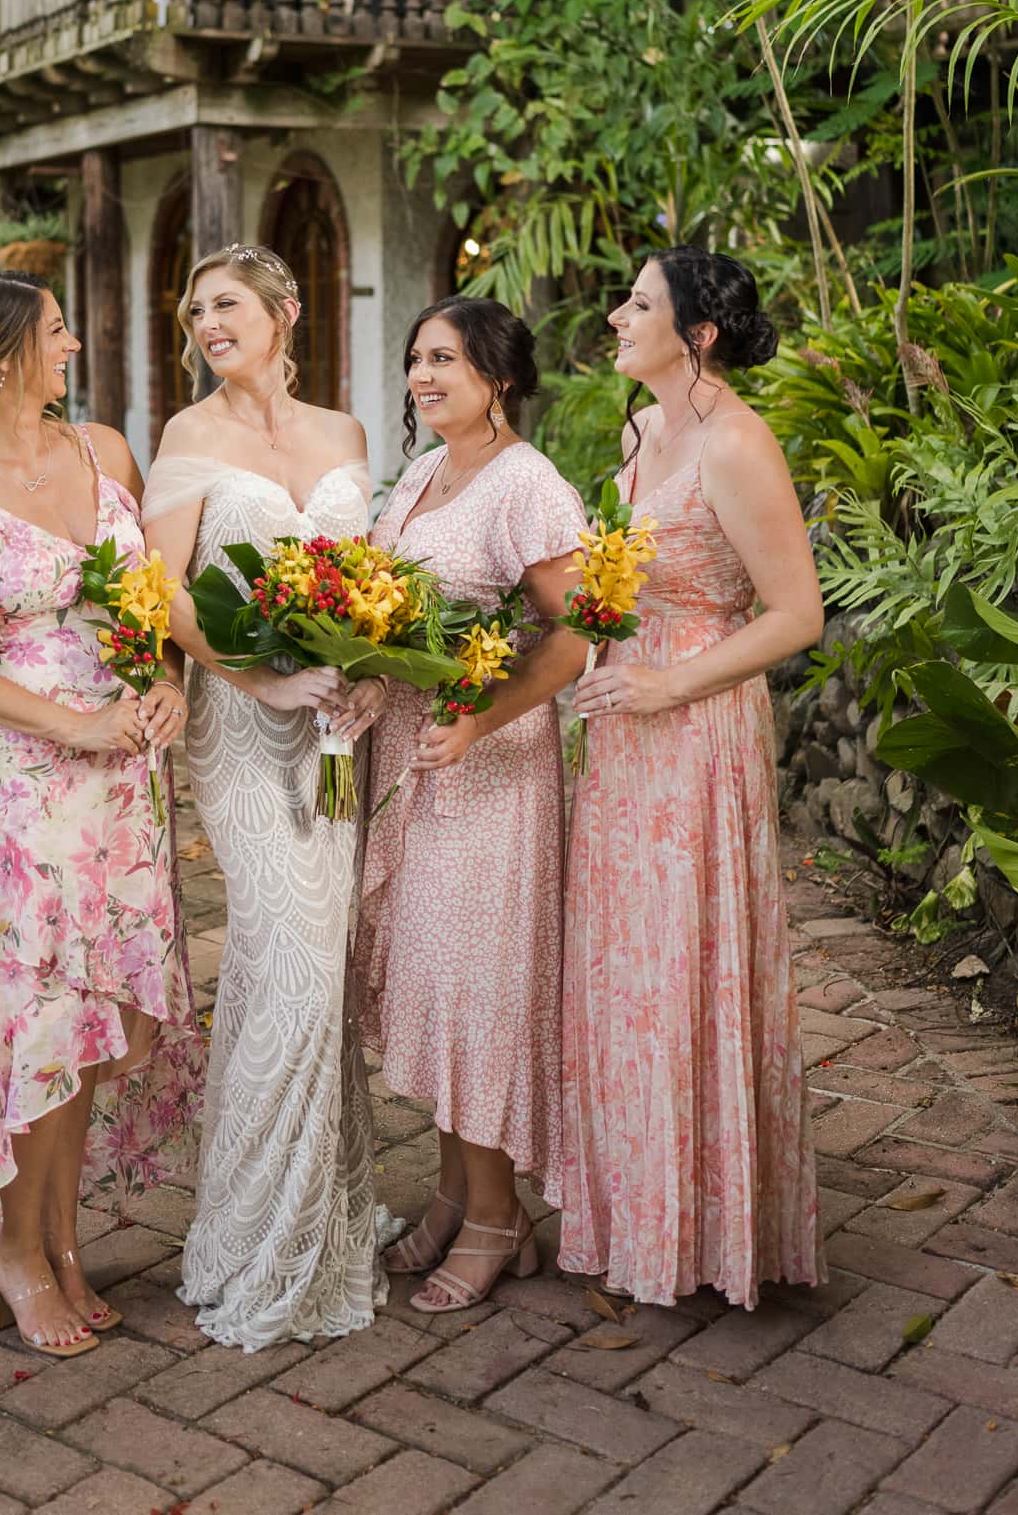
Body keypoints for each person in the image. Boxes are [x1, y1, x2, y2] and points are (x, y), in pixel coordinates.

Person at [0, 268, 202, 1357]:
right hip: (34, 795)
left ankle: (64, 1242)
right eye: (58, 332)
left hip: (128, 781)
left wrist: (170, 678)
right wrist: (69, 725)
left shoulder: (105, 451)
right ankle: (12, 1253)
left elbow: (149, 600)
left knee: (94, 1024)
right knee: (35, 1020)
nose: (73, 347)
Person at [559, 246, 825, 1310]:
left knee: (687, 962)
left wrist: (671, 689)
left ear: (698, 333)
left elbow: (797, 615)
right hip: (624, 729)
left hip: (697, 730)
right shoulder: (642, 429)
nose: (618, 314)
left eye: (640, 302)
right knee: (627, 969)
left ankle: (712, 1228)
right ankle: (638, 1216)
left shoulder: (737, 444)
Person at [141, 242, 388, 1352]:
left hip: (337, 726)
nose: (208, 324)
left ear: (285, 312)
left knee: (314, 963)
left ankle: (317, 1214)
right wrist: (265, 676)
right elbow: (161, 596)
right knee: (287, 948)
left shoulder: (345, 434)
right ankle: (252, 1239)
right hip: (242, 725)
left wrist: (366, 671)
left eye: (229, 305)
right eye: (197, 312)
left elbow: (373, 583)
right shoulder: (189, 436)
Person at [356, 297, 585, 1314]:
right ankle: (458, 1192)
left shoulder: (528, 486)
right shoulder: (422, 471)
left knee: (475, 997)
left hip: (489, 771)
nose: (424, 376)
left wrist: (481, 724)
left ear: (497, 373)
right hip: (419, 761)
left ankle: (500, 1216)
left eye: (445, 359)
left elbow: (581, 639)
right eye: (416, 359)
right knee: (439, 990)